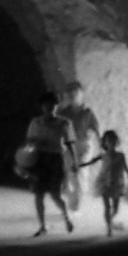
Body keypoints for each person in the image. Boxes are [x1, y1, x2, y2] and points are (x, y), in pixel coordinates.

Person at [24, 91, 76, 237]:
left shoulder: (65, 123)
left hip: (55, 159)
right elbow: (29, 142)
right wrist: (25, 162)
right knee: (38, 194)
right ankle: (42, 226)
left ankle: (66, 217)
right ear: (42, 106)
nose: (49, 107)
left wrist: (74, 162)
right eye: (46, 104)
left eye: (52, 104)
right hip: (39, 160)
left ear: (56, 106)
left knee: (55, 194)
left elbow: (69, 144)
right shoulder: (36, 123)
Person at [78, 130, 128, 236]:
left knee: (116, 209)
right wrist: (79, 166)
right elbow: (91, 162)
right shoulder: (103, 155)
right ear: (105, 143)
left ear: (116, 142)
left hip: (117, 182)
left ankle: (110, 220)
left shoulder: (121, 155)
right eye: (109, 141)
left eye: (113, 141)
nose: (111, 143)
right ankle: (109, 228)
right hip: (104, 182)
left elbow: (126, 168)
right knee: (107, 206)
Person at [58, 81, 100, 210]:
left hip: (83, 145)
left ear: (81, 94)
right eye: (70, 94)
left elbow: (96, 129)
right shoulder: (63, 113)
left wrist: (102, 146)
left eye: (76, 93)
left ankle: (76, 204)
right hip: (68, 146)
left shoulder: (88, 113)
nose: (73, 96)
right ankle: (73, 200)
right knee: (70, 174)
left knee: (80, 172)